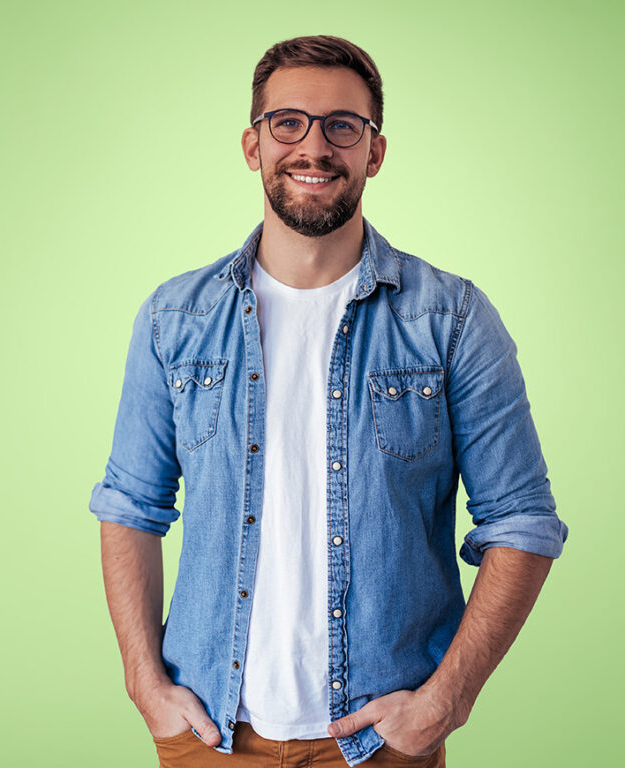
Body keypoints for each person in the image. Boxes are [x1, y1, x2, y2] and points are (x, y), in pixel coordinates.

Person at [88, 35, 568, 768]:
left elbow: (523, 523)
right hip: (209, 735)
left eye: (343, 125)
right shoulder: (173, 318)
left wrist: (445, 703)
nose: (314, 146)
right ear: (253, 145)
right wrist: (143, 685)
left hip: (383, 743)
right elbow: (129, 506)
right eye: (289, 123)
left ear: (374, 152)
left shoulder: (451, 319)